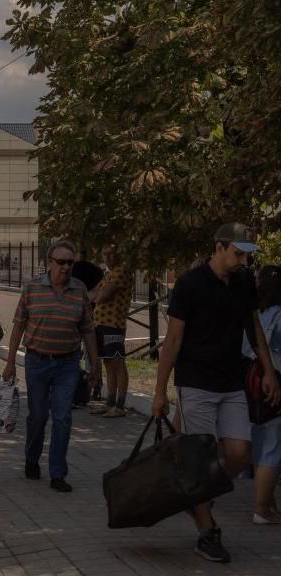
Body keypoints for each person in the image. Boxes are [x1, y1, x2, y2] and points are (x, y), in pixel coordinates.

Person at [152, 223, 280, 562]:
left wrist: (269, 372)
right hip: (195, 382)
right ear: (219, 247)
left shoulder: (243, 283)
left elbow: (253, 328)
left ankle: (197, 496)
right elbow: (173, 341)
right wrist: (159, 391)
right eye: (238, 253)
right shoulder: (189, 284)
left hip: (233, 382)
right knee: (200, 457)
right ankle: (207, 532)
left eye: (247, 255)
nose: (243, 261)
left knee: (240, 452)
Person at [2, 240, 101, 493]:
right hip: (37, 362)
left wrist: (95, 364)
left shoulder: (79, 290)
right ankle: (32, 459)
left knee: (63, 417)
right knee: (38, 416)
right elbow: (18, 326)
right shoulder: (32, 288)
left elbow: (88, 329)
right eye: (62, 262)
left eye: (71, 263)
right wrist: (11, 361)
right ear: (50, 263)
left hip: (67, 363)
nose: (66, 267)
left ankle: (58, 473)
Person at [242, 265, 281, 525]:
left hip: (250, 380)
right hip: (275, 380)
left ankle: (267, 503)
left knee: (260, 442)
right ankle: (261, 509)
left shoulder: (257, 314)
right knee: (273, 446)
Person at [90, 244, 132, 417]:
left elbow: (101, 296)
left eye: (110, 254)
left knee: (117, 362)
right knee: (108, 362)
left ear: (118, 255)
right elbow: (93, 294)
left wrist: (98, 295)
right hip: (102, 324)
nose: (107, 257)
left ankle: (120, 405)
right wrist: (97, 295)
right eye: (104, 254)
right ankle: (110, 402)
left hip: (114, 324)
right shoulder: (108, 273)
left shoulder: (120, 272)